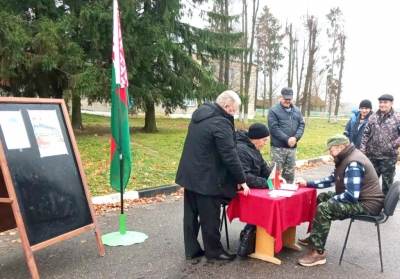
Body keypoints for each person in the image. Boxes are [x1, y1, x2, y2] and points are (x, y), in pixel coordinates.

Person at [176, 90, 250, 262]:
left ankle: (192, 250)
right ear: (225, 106)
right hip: (207, 177)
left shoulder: (200, 116)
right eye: (234, 110)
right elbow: (229, 154)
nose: (235, 113)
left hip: (190, 174)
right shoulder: (220, 123)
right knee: (210, 216)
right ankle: (214, 253)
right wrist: (242, 179)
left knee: (191, 215)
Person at [295, 134, 384, 267]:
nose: (331, 154)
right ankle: (316, 238)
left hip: (367, 205)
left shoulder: (353, 163)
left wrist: (333, 200)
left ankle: (318, 253)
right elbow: (331, 179)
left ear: (341, 147)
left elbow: (351, 195)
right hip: (360, 199)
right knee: (322, 198)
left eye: (331, 150)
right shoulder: (345, 157)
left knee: (325, 207)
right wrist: (307, 183)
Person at [235, 122, 285, 231]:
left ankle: (260, 233)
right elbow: (245, 177)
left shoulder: (253, 147)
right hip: (240, 188)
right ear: (255, 138)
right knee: (268, 203)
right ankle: (249, 232)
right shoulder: (241, 150)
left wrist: (275, 177)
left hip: (253, 184)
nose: (266, 143)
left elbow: (263, 167)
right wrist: (268, 183)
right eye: (264, 140)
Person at [360, 94, 400, 195]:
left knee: (387, 184)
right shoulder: (373, 117)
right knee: (369, 182)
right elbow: (366, 134)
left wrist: (392, 145)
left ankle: (386, 207)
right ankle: (370, 205)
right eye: (380, 102)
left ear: (391, 103)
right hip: (372, 156)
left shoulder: (397, 117)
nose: (382, 105)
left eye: (385, 102)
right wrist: (363, 151)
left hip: (388, 158)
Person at [268, 87, 305, 183]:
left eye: (289, 99)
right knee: (273, 175)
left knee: (289, 176)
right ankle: (271, 195)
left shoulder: (297, 110)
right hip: (278, 148)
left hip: (292, 149)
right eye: (285, 99)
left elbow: (301, 125)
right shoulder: (273, 110)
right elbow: (274, 128)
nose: (287, 101)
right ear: (281, 97)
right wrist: (287, 139)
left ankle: (288, 195)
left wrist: (296, 138)